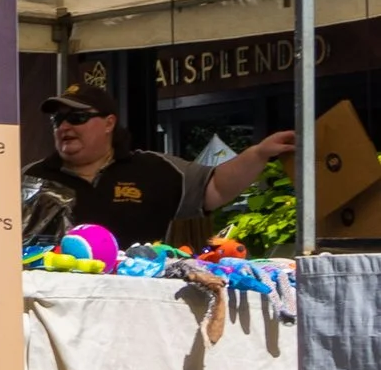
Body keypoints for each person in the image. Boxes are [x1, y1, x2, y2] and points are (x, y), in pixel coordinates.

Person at [22, 85, 295, 250]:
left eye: (77, 117)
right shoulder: (30, 179)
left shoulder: (155, 169)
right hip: (55, 306)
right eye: (58, 120)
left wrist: (259, 153)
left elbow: (216, 187)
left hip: (137, 306)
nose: (66, 127)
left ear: (109, 123)